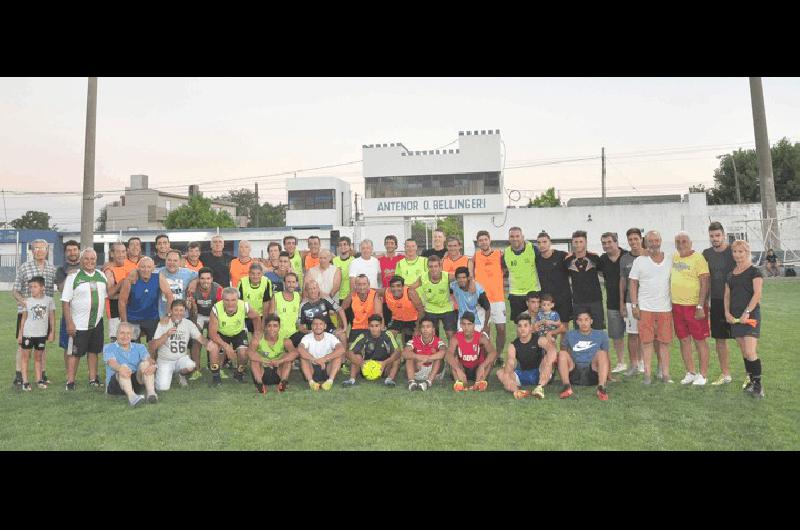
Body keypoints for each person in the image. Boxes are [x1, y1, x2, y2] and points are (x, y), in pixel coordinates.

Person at [629, 230, 673, 384]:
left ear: (661, 241)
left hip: (665, 309)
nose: (654, 244)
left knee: (664, 343)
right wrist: (634, 305)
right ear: (645, 243)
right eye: (650, 241)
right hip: (645, 308)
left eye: (656, 240)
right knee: (646, 342)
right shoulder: (639, 261)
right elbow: (633, 283)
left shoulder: (669, 259)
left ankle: (665, 374)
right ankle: (647, 374)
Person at [12, 238, 57, 388]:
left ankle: (42, 375)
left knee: (41, 346)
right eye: (36, 248)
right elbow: (15, 290)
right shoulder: (24, 268)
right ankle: (19, 376)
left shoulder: (52, 269)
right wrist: (23, 301)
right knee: (22, 346)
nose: (39, 251)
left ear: (47, 250)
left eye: (42, 248)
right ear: (31, 251)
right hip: (27, 314)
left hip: (44, 314)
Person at [61, 248, 108, 391]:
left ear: (96, 260)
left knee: (94, 351)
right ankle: (70, 381)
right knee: (75, 353)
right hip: (79, 324)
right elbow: (65, 301)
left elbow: (107, 295)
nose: (89, 261)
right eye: (86, 259)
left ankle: (93, 379)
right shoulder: (73, 277)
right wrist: (69, 322)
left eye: (92, 259)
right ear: (81, 261)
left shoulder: (101, 275)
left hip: (97, 322)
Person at [149, 299, 219, 391]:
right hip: (165, 360)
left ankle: (181, 375)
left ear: (184, 311)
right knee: (162, 388)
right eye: (176, 310)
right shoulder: (163, 323)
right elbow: (153, 346)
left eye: (181, 310)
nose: (179, 313)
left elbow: (200, 338)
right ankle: (162, 373)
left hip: (180, 358)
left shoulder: (188, 323)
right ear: (171, 311)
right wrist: (166, 335)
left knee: (191, 366)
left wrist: (209, 344)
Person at [725, 240, 765, 398]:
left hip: (750, 317)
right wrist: (727, 313)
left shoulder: (755, 272)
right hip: (735, 318)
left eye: (741, 251)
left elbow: (757, 294)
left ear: (747, 252)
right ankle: (750, 380)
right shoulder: (730, 274)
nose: (737, 255)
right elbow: (727, 295)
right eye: (735, 251)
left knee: (750, 351)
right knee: (744, 351)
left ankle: (758, 385)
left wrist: (747, 312)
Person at [671, 231, 711, 386]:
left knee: (699, 340)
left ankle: (703, 374)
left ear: (690, 242)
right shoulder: (674, 257)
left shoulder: (698, 258)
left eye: (684, 241)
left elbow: (705, 282)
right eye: (678, 241)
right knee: (683, 339)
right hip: (677, 306)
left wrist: (700, 305)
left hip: (694, 306)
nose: (681, 244)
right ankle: (690, 372)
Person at [703, 222, 735, 385]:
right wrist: (704, 303)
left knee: (744, 339)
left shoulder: (733, 251)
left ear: (723, 235)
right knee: (720, 339)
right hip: (716, 301)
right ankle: (726, 374)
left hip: (736, 302)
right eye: (712, 236)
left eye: (717, 235)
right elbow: (705, 280)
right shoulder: (706, 254)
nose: (715, 239)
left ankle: (751, 375)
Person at [208, 287, 262, 385]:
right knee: (213, 348)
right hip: (221, 333)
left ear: (238, 299)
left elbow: (256, 317)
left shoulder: (244, 305)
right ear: (222, 299)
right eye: (227, 300)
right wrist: (226, 347)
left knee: (243, 353)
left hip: (239, 332)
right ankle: (216, 377)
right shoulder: (216, 309)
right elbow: (212, 333)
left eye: (233, 300)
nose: (230, 303)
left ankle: (239, 374)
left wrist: (257, 334)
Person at [497, 312, 557, 400]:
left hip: (540, 373)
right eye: (520, 326)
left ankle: (539, 388)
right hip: (523, 374)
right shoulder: (513, 345)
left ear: (530, 327)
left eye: (525, 325)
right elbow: (510, 361)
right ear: (517, 328)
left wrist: (549, 361)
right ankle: (517, 391)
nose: (522, 329)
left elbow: (552, 350)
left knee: (547, 358)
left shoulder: (539, 340)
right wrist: (507, 372)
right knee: (500, 372)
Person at [556, 308, 611, 401]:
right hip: (574, 372)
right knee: (562, 353)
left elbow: (606, 357)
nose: (584, 323)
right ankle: (566, 386)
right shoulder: (570, 334)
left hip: (592, 372)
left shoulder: (602, 334)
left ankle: (601, 387)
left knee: (602, 353)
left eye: (586, 319)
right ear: (577, 322)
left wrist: (609, 375)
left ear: (591, 321)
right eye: (580, 320)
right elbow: (563, 353)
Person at [118, 257, 173, 345]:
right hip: (133, 319)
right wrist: (124, 322)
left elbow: (169, 295)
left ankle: (152, 359)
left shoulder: (158, 277)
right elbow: (122, 301)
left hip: (152, 318)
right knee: (133, 348)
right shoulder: (130, 279)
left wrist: (168, 315)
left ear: (153, 268)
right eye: (143, 267)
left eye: (148, 267)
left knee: (154, 347)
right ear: (138, 268)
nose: (146, 269)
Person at [103, 322, 157, 407]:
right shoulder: (109, 347)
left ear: (131, 335)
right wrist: (121, 368)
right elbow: (111, 362)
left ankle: (151, 394)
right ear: (116, 334)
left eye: (128, 333)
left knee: (146, 364)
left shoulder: (140, 347)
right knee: (123, 367)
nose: (125, 336)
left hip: (135, 380)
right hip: (116, 384)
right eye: (122, 333)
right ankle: (132, 398)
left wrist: (153, 366)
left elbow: (149, 359)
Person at [16, 276, 55, 391]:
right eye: (30, 287)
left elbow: (52, 318)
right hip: (28, 334)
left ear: (42, 287)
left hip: (41, 335)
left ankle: (39, 380)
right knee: (25, 358)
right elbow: (23, 319)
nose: (32, 289)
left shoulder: (49, 301)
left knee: (38, 358)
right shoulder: (27, 301)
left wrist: (52, 332)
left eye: (35, 287)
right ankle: (25, 382)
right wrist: (20, 334)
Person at [473, 230, 507, 356]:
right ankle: (487, 356)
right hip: (482, 299)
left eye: (485, 239)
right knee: (484, 330)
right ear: (478, 242)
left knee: (501, 329)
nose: (483, 242)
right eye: (480, 240)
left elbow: (506, 270)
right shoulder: (476, 257)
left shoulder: (499, 254)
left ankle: (498, 355)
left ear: (489, 240)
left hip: (498, 298)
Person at [342, 314, 401, 387]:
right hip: (366, 367)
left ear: (381, 326)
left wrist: (384, 363)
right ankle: (351, 380)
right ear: (368, 326)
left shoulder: (387, 335)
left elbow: (398, 352)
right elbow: (348, 353)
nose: (374, 329)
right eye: (372, 326)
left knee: (396, 358)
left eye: (377, 326)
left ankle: (389, 380)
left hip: (383, 367)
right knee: (356, 355)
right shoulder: (363, 335)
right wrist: (362, 363)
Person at [445, 312, 497, 392]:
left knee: (489, 362)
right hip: (463, 368)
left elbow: (493, 352)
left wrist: (483, 365)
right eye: (464, 324)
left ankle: (479, 383)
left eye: (469, 324)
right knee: (453, 360)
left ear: (474, 325)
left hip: (477, 368)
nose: (466, 327)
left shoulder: (481, 337)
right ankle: (460, 383)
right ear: (461, 325)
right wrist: (458, 369)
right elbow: (448, 354)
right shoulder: (455, 338)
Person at [599, 232, 628, 374]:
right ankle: (621, 362)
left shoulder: (627, 256)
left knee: (636, 335)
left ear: (616, 242)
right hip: (611, 303)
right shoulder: (602, 259)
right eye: (604, 243)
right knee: (617, 336)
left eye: (609, 242)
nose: (606, 245)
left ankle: (639, 362)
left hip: (630, 302)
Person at [535, 232, 572, 341]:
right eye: (539, 243)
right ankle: (551, 356)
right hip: (547, 301)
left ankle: (564, 356)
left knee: (564, 329)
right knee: (548, 331)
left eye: (544, 242)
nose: (542, 245)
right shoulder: (536, 259)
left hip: (563, 298)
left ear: (550, 242)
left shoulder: (562, 256)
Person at [565, 230, 605, 330]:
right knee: (579, 331)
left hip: (595, 300)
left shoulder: (594, 257)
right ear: (572, 243)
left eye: (581, 241)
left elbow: (602, 273)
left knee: (597, 330)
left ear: (586, 242)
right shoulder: (567, 260)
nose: (578, 244)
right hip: (578, 302)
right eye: (576, 242)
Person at [187, 267, 223, 380]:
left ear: (212, 279)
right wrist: (191, 306)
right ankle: (196, 369)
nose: (205, 281)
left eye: (208, 278)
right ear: (198, 279)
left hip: (214, 314)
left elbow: (220, 308)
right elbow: (193, 311)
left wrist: (214, 324)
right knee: (196, 340)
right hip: (199, 315)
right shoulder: (192, 289)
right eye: (202, 278)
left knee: (216, 340)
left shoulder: (218, 289)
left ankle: (217, 368)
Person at [619, 228, 645, 376]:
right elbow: (622, 282)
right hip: (630, 302)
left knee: (644, 334)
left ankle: (642, 362)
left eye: (636, 239)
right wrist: (622, 303)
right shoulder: (625, 258)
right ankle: (633, 363)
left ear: (641, 239)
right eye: (630, 240)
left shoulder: (648, 256)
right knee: (632, 334)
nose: (633, 242)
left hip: (647, 302)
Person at [250, 315, 298, 393]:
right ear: (265, 327)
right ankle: (259, 385)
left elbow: (295, 353)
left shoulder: (285, 340)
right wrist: (264, 361)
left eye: (275, 326)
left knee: (287, 356)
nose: (272, 329)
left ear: (279, 327)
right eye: (269, 326)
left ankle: (283, 382)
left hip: (278, 372)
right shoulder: (257, 340)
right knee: (254, 358)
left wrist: (280, 361)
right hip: (262, 372)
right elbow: (249, 353)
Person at [416, 255, 457, 343]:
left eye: (436, 266)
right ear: (427, 267)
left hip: (447, 308)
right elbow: (411, 288)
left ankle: (453, 355)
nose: (433, 269)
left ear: (440, 267)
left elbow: (462, 276)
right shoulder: (423, 278)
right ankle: (436, 355)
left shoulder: (447, 276)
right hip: (431, 309)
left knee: (451, 335)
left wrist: (472, 282)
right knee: (432, 336)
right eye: (431, 266)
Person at [297, 316, 345, 391]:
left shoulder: (330, 337)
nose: (318, 326)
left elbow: (341, 349)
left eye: (320, 324)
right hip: (312, 368)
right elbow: (300, 348)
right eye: (315, 324)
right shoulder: (307, 337)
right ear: (312, 326)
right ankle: (311, 382)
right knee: (303, 357)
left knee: (338, 355)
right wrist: (314, 360)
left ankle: (330, 381)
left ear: (325, 326)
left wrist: (325, 359)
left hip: (327, 368)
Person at [56, 240, 81, 376]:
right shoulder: (61, 269)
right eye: (69, 250)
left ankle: (93, 376)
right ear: (65, 253)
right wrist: (71, 275)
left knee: (88, 345)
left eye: (75, 249)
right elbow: (60, 289)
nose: (72, 252)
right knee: (68, 345)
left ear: (79, 251)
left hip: (85, 311)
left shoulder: (85, 265)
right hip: (69, 312)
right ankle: (69, 375)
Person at [504, 226, 540, 322]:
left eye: (517, 236)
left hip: (533, 292)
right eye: (512, 236)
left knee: (536, 324)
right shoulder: (506, 253)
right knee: (520, 326)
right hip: (515, 294)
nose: (515, 238)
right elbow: (501, 270)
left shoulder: (533, 249)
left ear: (522, 237)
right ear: (509, 238)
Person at [104, 242, 138, 345]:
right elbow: (109, 294)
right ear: (112, 254)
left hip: (131, 312)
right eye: (118, 252)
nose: (121, 255)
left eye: (123, 251)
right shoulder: (109, 270)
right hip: (115, 313)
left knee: (133, 341)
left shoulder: (130, 266)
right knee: (118, 343)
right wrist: (122, 282)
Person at [298, 279, 348, 345]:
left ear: (318, 289)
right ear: (306, 291)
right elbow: (300, 326)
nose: (313, 291)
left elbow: (340, 310)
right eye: (310, 289)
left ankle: (343, 355)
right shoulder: (303, 305)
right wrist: (309, 332)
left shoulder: (325, 298)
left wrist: (345, 327)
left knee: (342, 336)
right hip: (312, 331)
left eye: (314, 288)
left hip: (328, 329)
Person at [402, 317, 447, 391]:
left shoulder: (438, 341)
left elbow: (443, 353)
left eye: (428, 327)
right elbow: (404, 353)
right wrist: (418, 357)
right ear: (420, 330)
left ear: (433, 330)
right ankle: (411, 382)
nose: (425, 329)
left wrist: (427, 358)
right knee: (409, 357)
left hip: (434, 372)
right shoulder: (414, 340)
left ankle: (428, 382)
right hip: (418, 369)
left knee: (438, 358)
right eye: (423, 327)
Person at [340, 274, 382, 343]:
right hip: (356, 328)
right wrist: (344, 326)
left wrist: (378, 329)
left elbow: (379, 314)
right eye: (359, 284)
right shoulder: (353, 295)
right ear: (355, 286)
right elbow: (341, 309)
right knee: (351, 351)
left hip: (370, 327)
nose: (362, 287)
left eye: (364, 284)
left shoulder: (374, 295)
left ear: (368, 285)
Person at [155, 250, 197, 318]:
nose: (172, 263)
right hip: (163, 316)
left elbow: (202, 276)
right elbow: (143, 271)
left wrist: (194, 281)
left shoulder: (188, 273)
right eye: (169, 260)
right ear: (165, 260)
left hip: (183, 317)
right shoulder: (157, 272)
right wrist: (135, 271)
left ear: (180, 262)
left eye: (175, 260)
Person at [383, 275, 424, 344]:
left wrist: (417, 328)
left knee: (409, 343)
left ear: (403, 286)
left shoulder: (410, 292)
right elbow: (374, 292)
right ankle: (394, 352)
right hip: (398, 319)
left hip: (412, 319)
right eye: (393, 286)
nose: (396, 289)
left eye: (398, 286)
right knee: (388, 337)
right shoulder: (387, 292)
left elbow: (421, 310)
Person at [451, 266, 491, 332]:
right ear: (456, 279)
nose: (461, 280)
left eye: (464, 277)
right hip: (462, 320)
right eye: (459, 278)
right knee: (461, 340)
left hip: (478, 321)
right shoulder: (454, 286)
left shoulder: (478, 290)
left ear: (468, 278)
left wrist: (485, 325)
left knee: (480, 341)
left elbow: (488, 308)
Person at [237, 262, 273, 332]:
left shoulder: (266, 282)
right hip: (246, 316)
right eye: (253, 273)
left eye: (258, 274)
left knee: (259, 337)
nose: (255, 276)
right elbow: (239, 303)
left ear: (262, 273)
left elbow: (266, 304)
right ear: (249, 274)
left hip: (261, 316)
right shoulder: (242, 282)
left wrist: (263, 323)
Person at [272, 272, 304, 347]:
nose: (291, 284)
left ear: (296, 284)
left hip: (294, 334)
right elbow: (271, 318)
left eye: (293, 282)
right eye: (288, 282)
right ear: (284, 283)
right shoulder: (276, 297)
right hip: (279, 334)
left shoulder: (298, 296)